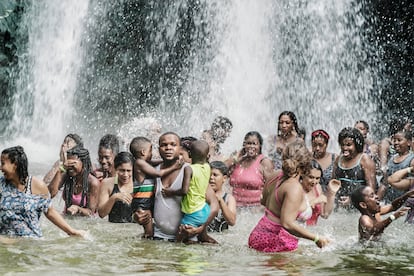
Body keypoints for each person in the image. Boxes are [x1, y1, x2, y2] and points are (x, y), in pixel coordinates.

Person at [134, 132, 219, 243]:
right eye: (164, 145)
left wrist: (201, 228)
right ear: (158, 149)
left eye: (173, 144)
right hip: (158, 238)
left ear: (180, 148)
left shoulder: (192, 171)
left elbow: (214, 204)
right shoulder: (152, 171)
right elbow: (140, 198)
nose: (168, 148)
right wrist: (136, 216)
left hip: (186, 239)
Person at [248, 141, 330, 252]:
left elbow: (263, 201)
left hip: (258, 235)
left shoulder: (274, 175)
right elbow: (287, 223)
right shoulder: (294, 188)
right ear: (306, 165)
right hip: (278, 242)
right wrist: (316, 238)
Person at [0, 146, 84, 238]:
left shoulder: (37, 186)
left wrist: (71, 231)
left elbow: (50, 212)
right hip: (5, 243)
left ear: (15, 164)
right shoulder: (1, 184)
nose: (0, 168)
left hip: (30, 243)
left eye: (3, 163)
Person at [129, 136, 182, 238]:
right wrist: (174, 166)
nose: (152, 153)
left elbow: (157, 162)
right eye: (150, 150)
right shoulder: (139, 163)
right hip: (142, 202)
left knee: (150, 231)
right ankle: (144, 247)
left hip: (146, 201)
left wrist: (168, 161)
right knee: (149, 233)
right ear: (143, 152)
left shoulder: (144, 163)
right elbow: (158, 173)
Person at [162, 140, 211, 242]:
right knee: (201, 238)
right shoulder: (207, 167)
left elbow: (184, 191)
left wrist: (170, 192)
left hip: (193, 211)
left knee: (180, 237)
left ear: (189, 154)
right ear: (208, 156)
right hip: (204, 209)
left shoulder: (189, 169)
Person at [48, 145, 100, 216]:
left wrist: (78, 209)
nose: (69, 167)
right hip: (68, 218)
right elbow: (49, 194)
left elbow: (90, 212)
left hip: (85, 223)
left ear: (84, 164)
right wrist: (60, 170)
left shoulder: (93, 183)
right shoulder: (66, 176)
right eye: (67, 163)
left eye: (72, 163)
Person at [228, 131, 275, 208]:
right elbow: (222, 170)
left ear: (260, 146)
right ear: (244, 145)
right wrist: (235, 158)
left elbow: (272, 188)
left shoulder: (264, 162)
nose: (251, 146)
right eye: (249, 143)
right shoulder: (238, 160)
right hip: (235, 207)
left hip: (255, 209)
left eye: (254, 144)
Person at [332, 127, 376, 208]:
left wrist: (352, 200)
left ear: (357, 144)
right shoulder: (338, 159)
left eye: (349, 145)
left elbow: (371, 190)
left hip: (359, 207)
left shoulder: (364, 159)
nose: (345, 148)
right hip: (339, 207)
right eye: (342, 145)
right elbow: (332, 183)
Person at [377, 128, 414, 203]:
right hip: (389, 202)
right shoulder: (391, 159)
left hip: (405, 203)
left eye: (399, 140)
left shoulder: (412, 159)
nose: (396, 143)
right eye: (394, 140)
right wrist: (377, 201)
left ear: (409, 143)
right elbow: (384, 183)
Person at [98, 152, 134, 223]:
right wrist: (114, 198)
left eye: (129, 171)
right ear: (115, 169)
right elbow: (101, 214)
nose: (125, 174)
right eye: (122, 170)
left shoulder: (138, 184)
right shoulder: (107, 183)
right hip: (113, 229)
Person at [303, 160, 341, 226]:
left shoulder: (317, 187)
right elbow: (295, 213)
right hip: (299, 230)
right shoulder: (297, 188)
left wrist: (331, 193)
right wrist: (315, 201)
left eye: (317, 178)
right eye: (311, 177)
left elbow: (325, 215)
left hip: (312, 231)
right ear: (303, 175)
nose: (314, 182)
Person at [207, 161, 236, 232]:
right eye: (209, 174)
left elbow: (232, 221)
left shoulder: (228, 198)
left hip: (221, 237)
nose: (211, 178)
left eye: (215, 175)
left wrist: (220, 200)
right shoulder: (201, 195)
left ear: (224, 178)